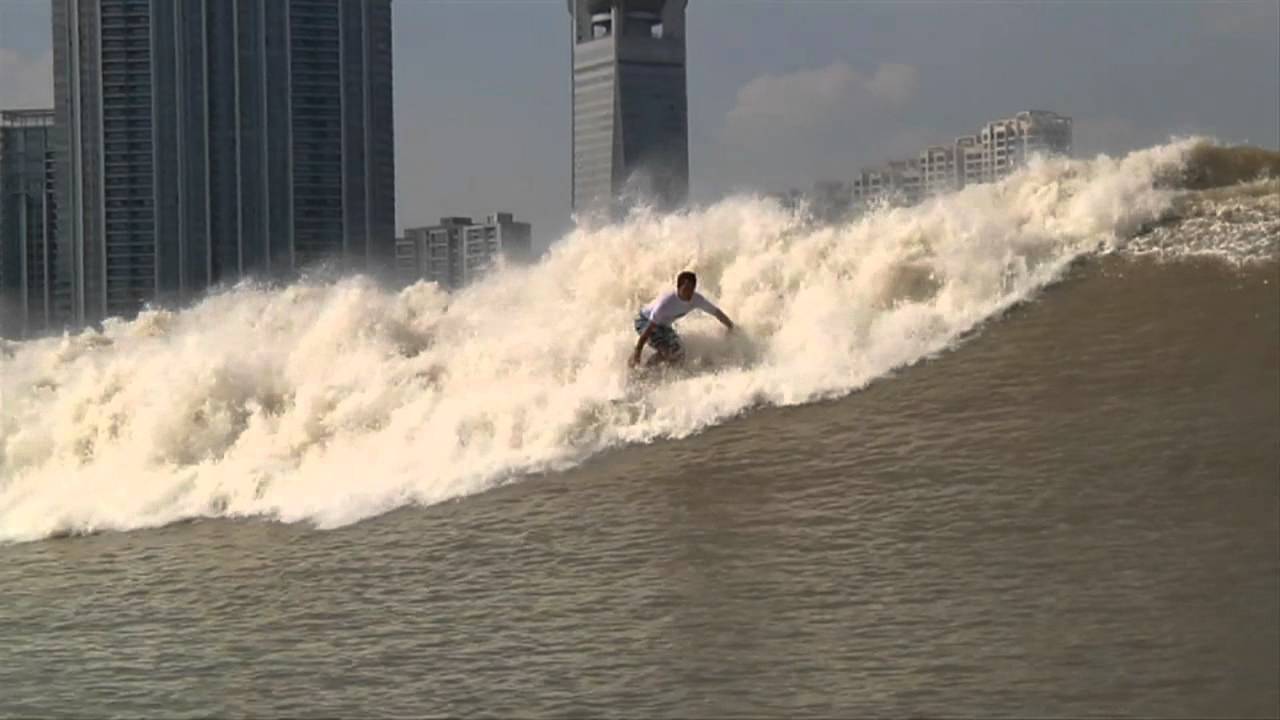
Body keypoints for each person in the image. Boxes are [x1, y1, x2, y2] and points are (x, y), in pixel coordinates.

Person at [631, 271, 734, 368]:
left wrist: (731, 326)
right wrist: (638, 351)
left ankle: (663, 373)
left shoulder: (696, 299)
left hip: (662, 325)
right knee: (667, 351)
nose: (688, 293)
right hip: (644, 321)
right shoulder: (665, 303)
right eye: (686, 289)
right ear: (679, 287)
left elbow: (716, 312)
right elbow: (649, 329)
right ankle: (645, 371)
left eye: (692, 289)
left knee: (679, 352)